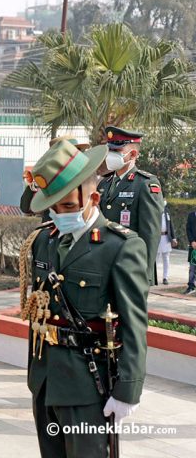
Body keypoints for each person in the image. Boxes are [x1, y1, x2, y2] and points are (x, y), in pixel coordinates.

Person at [25, 139, 149, 458]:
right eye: (54, 208)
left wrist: (128, 390)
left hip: (88, 385)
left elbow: (134, 325)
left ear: (92, 198)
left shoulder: (120, 247)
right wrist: (34, 375)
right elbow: (39, 311)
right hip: (45, 379)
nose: (60, 214)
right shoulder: (44, 241)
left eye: (68, 206)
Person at [98, 126, 164, 285]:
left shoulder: (145, 184)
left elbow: (150, 232)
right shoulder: (104, 184)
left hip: (130, 266)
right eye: (109, 151)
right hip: (103, 263)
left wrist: (143, 273)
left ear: (132, 154)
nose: (110, 156)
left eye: (116, 151)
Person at [21, 136, 89, 219]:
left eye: (78, 151)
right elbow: (25, 208)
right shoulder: (49, 181)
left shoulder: (89, 175)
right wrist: (33, 186)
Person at [157, 199, 178, 285]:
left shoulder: (167, 211)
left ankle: (165, 277)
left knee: (166, 259)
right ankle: (153, 277)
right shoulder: (155, 210)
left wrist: (174, 237)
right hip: (157, 238)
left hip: (166, 237)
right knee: (155, 259)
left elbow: (170, 225)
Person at [186, 209, 196, 295]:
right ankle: (191, 286)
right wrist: (192, 241)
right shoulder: (191, 215)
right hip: (193, 246)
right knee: (192, 267)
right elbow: (188, 229)